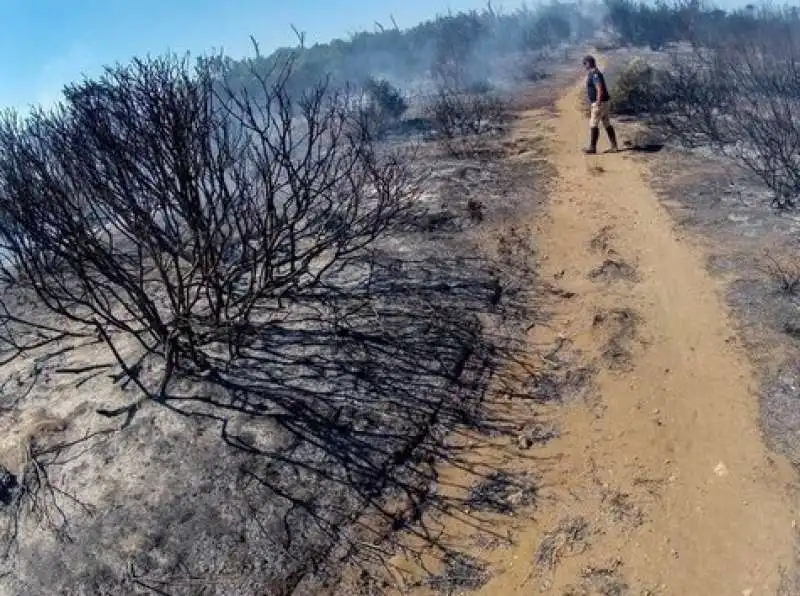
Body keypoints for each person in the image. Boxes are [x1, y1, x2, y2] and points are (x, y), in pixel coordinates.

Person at [582, 55, 618, 154]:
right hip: (605, 102)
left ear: (588, 63)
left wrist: (598, 101)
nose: (584, 66)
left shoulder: (595, 74)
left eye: (584, 64)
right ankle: (614, 146)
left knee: (593, 124)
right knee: (607, 123)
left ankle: (592, 148)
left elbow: (599, 88)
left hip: (600, 103)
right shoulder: (596, 73)